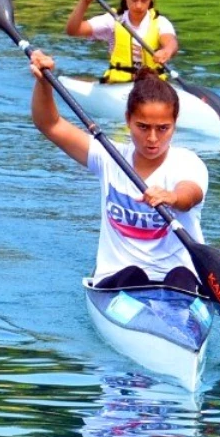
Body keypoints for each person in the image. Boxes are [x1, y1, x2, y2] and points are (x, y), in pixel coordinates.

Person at [29, 49, 206, 291]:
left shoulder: (187, 162)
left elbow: (190, 194)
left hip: (179, 284)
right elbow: (49, 124)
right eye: (142, 127)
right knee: (132, 275)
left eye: (163, 128)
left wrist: (172, 197)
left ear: (175, 124)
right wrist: (43, 83)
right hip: (118, 282)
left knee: (181, 277)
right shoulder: (108, 156)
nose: (152, 138)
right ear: (127, 120)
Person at [65, 0, 179, 84]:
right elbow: (73, 30)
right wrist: (84, 2)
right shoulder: (113, 19)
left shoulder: (160, 22)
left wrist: (167, 51)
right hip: (119, 85)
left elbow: (170, 41)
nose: (139, 5)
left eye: (144, 0)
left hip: (152, 85)